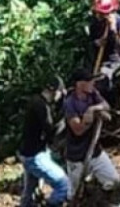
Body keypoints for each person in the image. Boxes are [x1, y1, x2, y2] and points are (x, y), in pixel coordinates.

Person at [63, 68, 120, 192]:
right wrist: (87, 120)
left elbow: (106, 106)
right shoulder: (70, 103)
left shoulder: (93, 94)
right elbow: (78, 130)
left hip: (94, 151)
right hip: (76, 155)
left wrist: (93, 109)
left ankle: (96, 192)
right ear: (79, 84)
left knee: (114, 181)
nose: (93, 83)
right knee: (74, 192)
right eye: (89, 81)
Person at [18, 77, 69, 207]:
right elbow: (52, 131)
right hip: (35, 156)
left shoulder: (37, 102)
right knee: (63, 184)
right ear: (55, 91)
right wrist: (65, 116)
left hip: (29, 153)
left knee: (29, 196)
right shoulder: (41, 106)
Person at [89, 0, 120, 105]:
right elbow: (92, 40)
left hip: (115, 60)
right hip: (97, 59)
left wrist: (113, 30)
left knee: (102, 81)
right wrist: (97, 42)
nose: (99, 15)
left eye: (102, 13)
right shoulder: (95, 23)